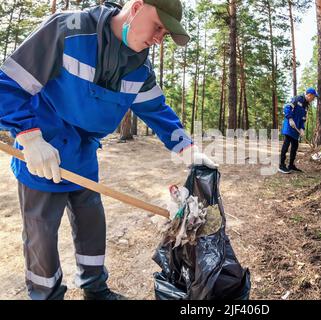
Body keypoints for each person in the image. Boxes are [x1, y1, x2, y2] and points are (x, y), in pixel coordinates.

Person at [0, 0, 216, 300]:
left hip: (84, 154)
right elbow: (8, 84)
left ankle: (96, 290)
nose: (157, 38)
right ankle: (45, 295)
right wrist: (29, 137)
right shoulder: (68, 31)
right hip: (44, 155)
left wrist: (187, 148)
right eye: (157, 27)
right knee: (41, 237)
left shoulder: (139, 67)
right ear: (137, 7)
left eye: (164, 34)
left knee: (92, 225)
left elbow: (157, 110)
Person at [279, 88, 318, 174]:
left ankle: (291, 165)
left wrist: (302, 129)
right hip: (290, 126)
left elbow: (303, 118)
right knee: (286, 144)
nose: (313, 99)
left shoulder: (306, 105)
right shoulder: (297, 99)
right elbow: (287, 107)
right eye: (313, 97)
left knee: (295, 146)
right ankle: (281, 165)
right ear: (309, 95)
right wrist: (289, 118)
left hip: (296, 129)